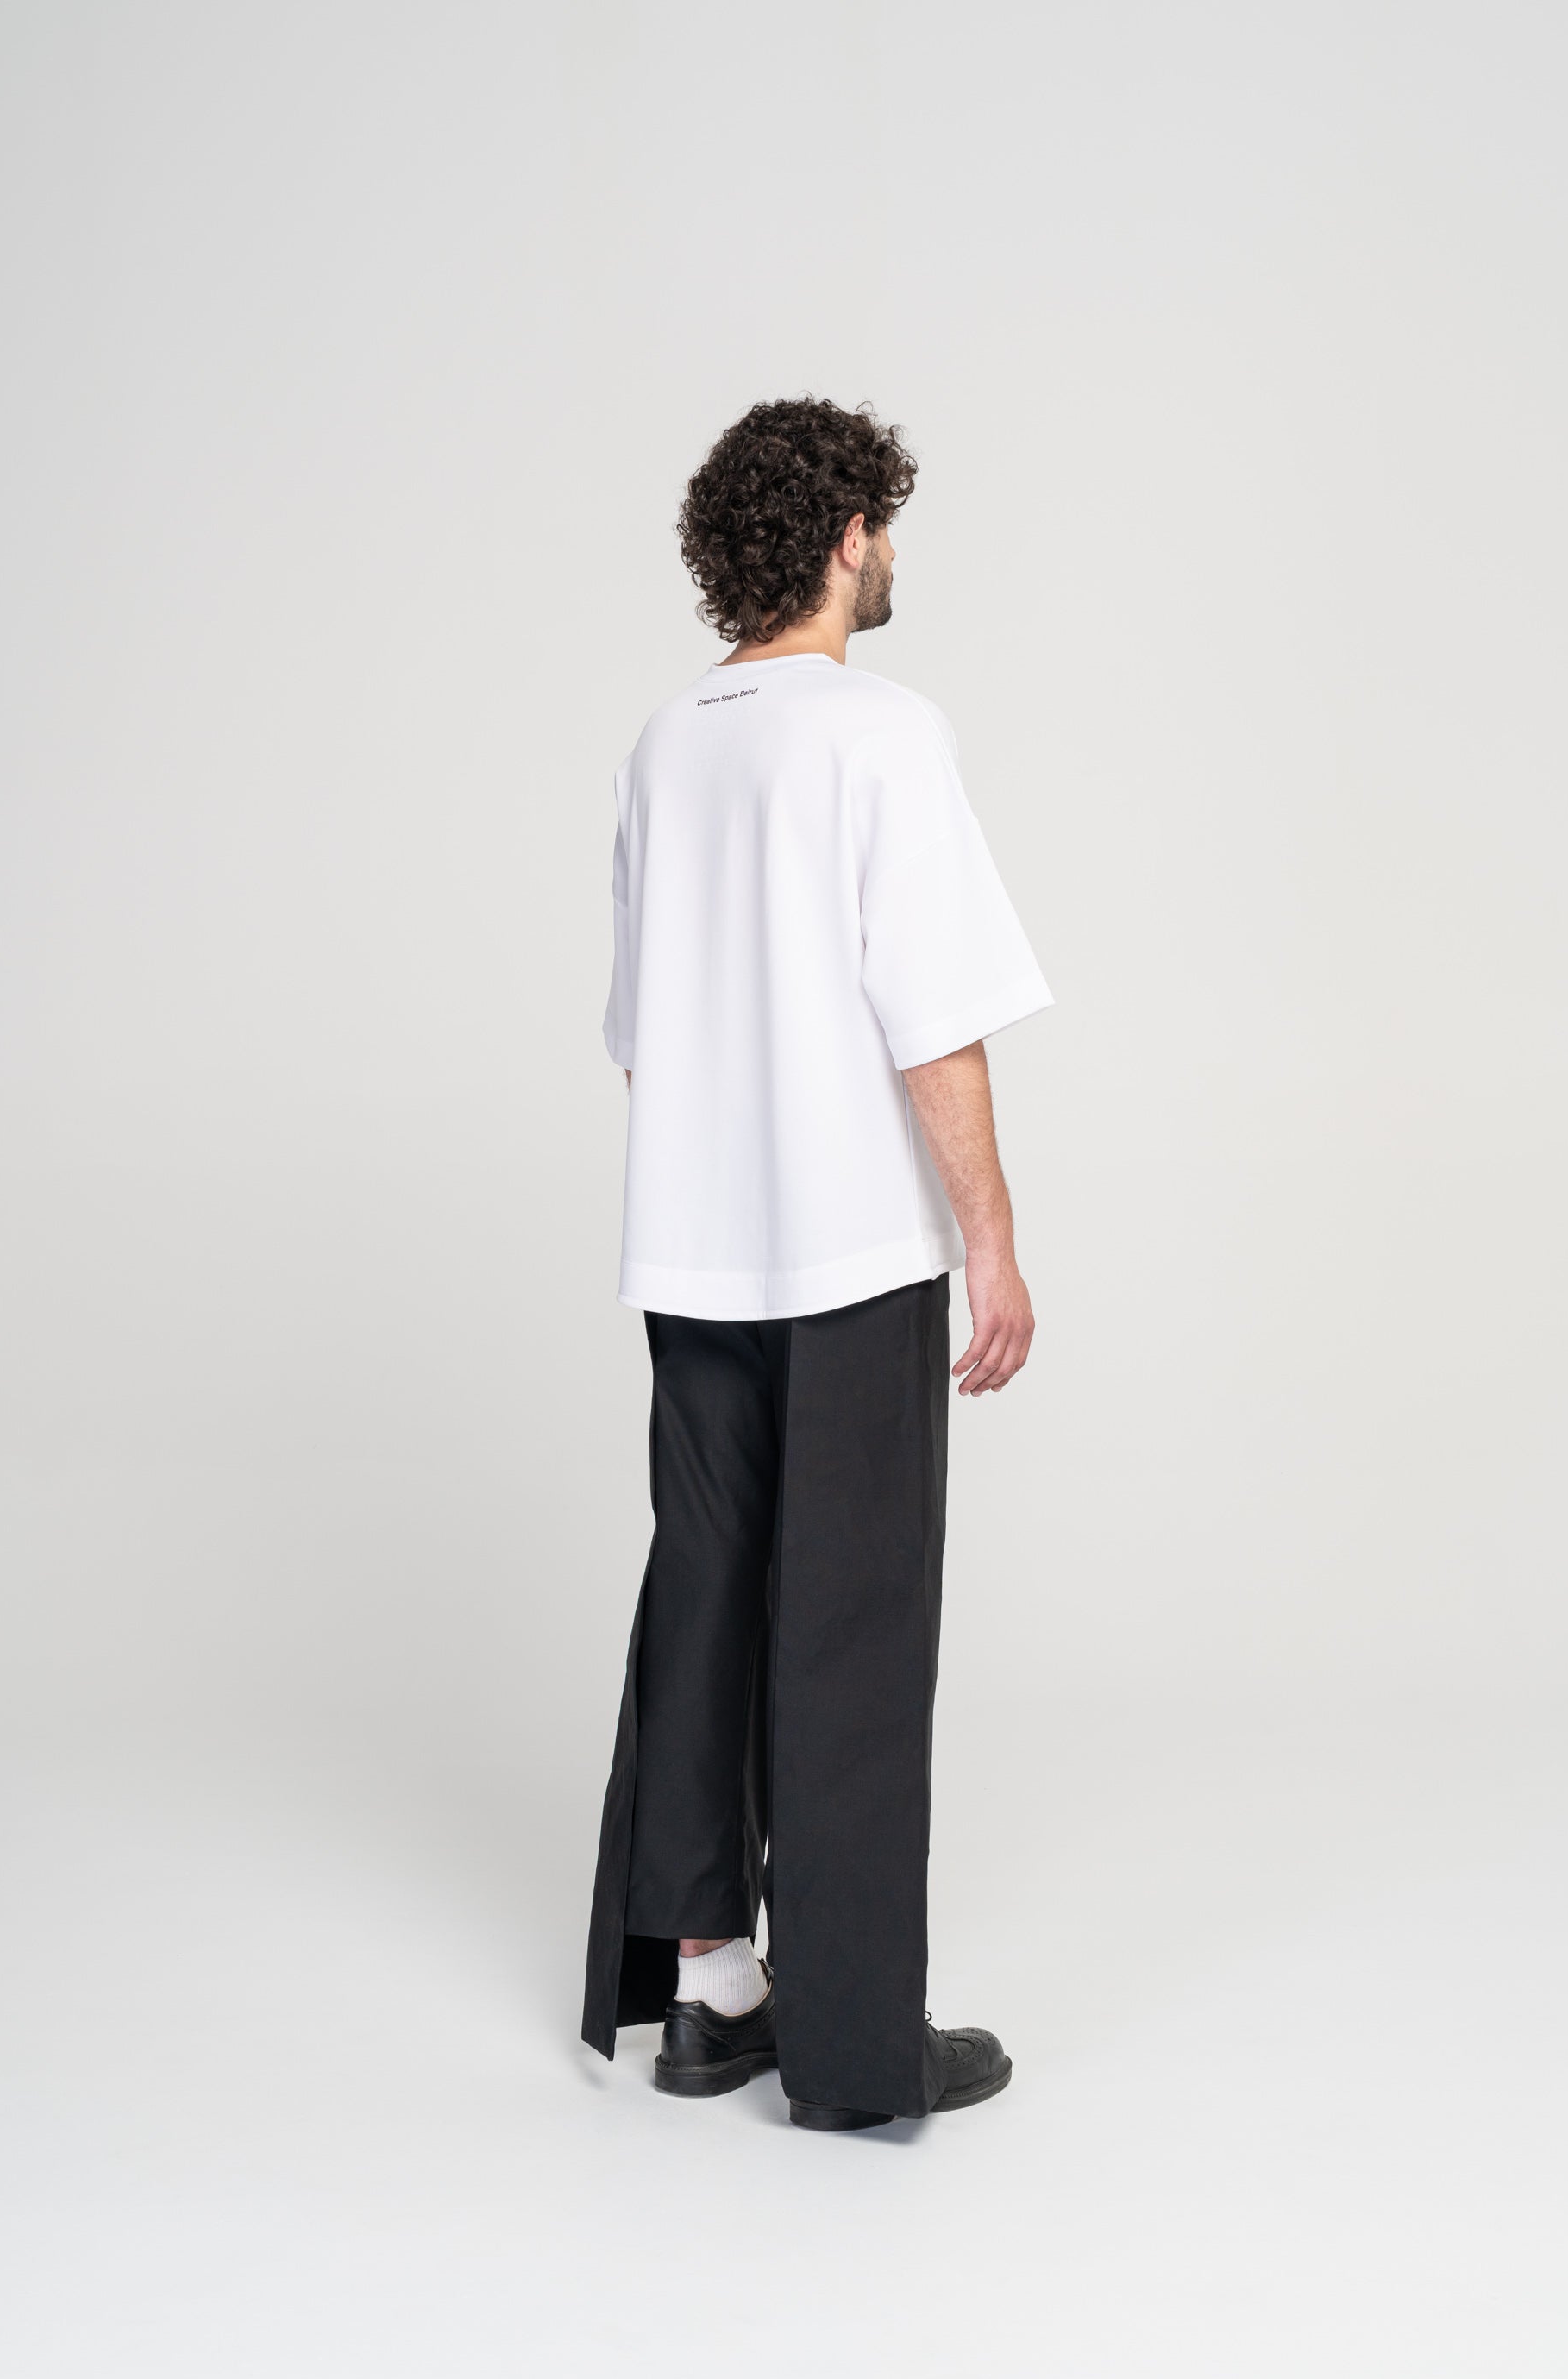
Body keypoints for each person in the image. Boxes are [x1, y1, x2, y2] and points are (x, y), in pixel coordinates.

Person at [581, 396, 1052, 2131]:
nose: (892, 551)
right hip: (848, 1246)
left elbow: (643, 1036)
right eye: (885, 524)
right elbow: (935, 1016)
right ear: (846, 537)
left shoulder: (666, 742)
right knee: (851, 1617)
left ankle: (711, 1992)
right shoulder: (880, 732)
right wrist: (990, 1241)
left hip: (693, 1252)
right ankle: (856, 2049)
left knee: (706, 1592)